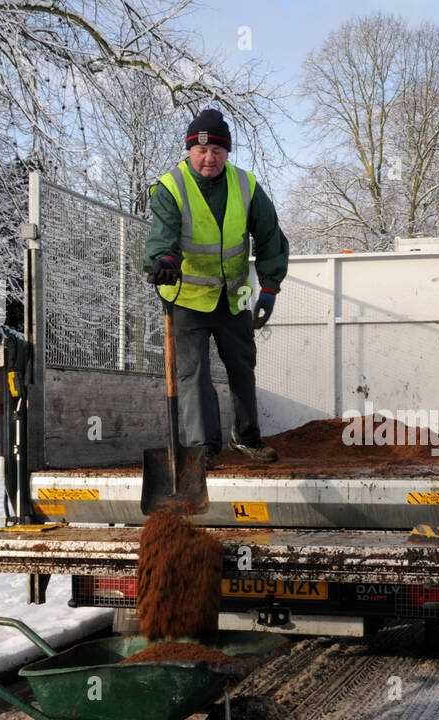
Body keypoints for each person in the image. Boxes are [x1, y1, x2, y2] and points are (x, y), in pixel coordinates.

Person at [143, 108, 289, 465]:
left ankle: (247, 438)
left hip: (234, 296)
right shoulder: (170, 187)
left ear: (228, 152)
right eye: (201, 151)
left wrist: (269, 288)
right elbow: (162, 236)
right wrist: (164, 261)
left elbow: (270, 237)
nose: (209, 159)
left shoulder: (246, 185)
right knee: (194, 375)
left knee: (242, 367)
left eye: (218, 151)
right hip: (187, 297)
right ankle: (201, 450)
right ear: (189, 150)